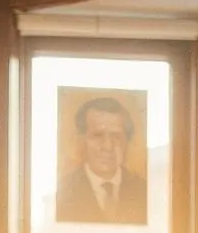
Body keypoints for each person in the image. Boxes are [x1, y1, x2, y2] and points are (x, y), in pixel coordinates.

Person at [56, 95, 146, 224]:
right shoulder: (62, 192)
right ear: (81, 140)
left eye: (116, 136)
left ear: (127, 141)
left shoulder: (145, 191)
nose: (108, 146)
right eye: (97, 136)